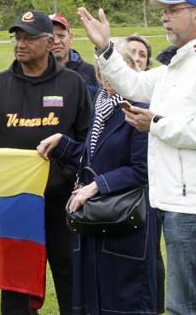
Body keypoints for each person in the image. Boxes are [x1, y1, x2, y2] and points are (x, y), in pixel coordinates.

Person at [77, 0, 196, 315]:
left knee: (186, 304)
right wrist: (106, 49)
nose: (164, 18)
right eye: (163, 11)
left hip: (195, 204)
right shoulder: (181, 62)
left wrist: (156, 124)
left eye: (172, 10)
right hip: (177, 198)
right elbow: (135, 83)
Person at [0, 10, 92, 315]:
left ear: (50, 42)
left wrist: (65, 176)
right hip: (15, 202)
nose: (20, 44)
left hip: (62, 201)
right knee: (15, 282)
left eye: (28, 37)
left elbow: (88, 140)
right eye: (17, 37)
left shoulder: (73, 84)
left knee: (70, 276)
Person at [37, 42, 164, 315]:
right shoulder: (102, 104)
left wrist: (95, 186)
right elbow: (94, 156)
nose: (106, 77)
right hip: (101, 217)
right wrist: (63, 143)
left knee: (125, 297)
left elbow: (141, 169)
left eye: (112, 69)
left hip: (129, 217)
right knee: (99, 296)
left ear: (129, 69)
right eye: (101, 70)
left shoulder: (139, 108)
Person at [49, 13, 99, 98]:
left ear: (71, 37)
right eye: (51, 37)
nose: (56, 41)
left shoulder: (92, 73)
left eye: (61, 36)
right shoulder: (35, 75)